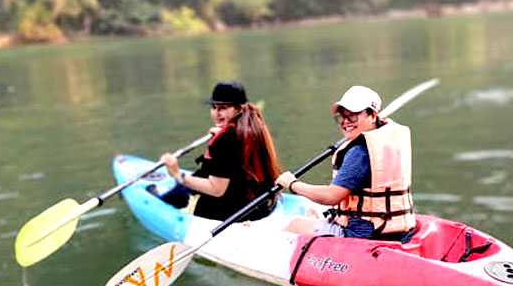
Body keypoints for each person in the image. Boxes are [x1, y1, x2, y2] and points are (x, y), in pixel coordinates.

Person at [275, 85, 416, 240]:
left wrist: (293, 184)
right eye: (341, 116)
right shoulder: (386, 140)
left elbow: (331, 196)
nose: (345, 122)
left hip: (364, 235)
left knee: (296, 224)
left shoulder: (359, 152)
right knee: (312, 216)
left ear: (373, 115)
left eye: (353, 115)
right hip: (393, 231)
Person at [158, 81, 281, 222]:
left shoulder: (223, 141)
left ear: (239, 109)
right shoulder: (255, 128)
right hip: (261, 206)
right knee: (195, 180)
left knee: (181, 190)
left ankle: (160, 200)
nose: (216, 113)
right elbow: (235, 149)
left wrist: (178, 175)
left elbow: (217, 190)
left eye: (223, 108)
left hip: (237, 214)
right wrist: (221, 132)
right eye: (214, 107)